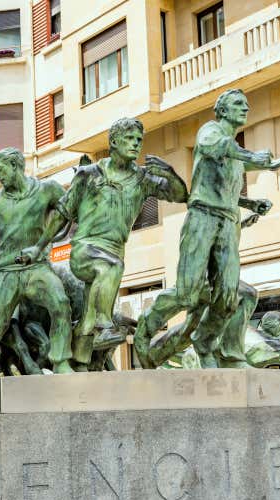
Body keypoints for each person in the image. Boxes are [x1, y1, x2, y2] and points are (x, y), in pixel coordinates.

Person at [134, 89, 280, 368]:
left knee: (229, 295)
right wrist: (256, 158)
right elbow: (216, 148)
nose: (245, 108)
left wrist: (249, 202)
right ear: (222, 111)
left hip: (228, 221)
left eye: (246, 104)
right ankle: (145, 328)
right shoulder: (210, 132)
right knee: (187, 292)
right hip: (202, 218)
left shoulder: (234, 149)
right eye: (238, 104)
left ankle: (216, 350)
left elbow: (222, 187)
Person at [20, 118, 188, 365]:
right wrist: (39, 246)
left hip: (114, 251)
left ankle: (81, 355)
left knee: (89, 310)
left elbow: (180, 195)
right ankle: (104, 324)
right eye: (129, 139)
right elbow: (62, 213)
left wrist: (170, 174)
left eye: (139, 140)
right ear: (114, 142)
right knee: (110, 268)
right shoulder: (89, 175)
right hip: (85, 249)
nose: (135, 144)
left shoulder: (142, 179)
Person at [0, 148, 75, 374]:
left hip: (36, 268)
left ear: (15, 166)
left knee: (60, 303)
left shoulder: (47, 190)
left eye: (0, 169)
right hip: (6, 273)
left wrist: (46, 243)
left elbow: (68, 212)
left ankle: (61, 361)